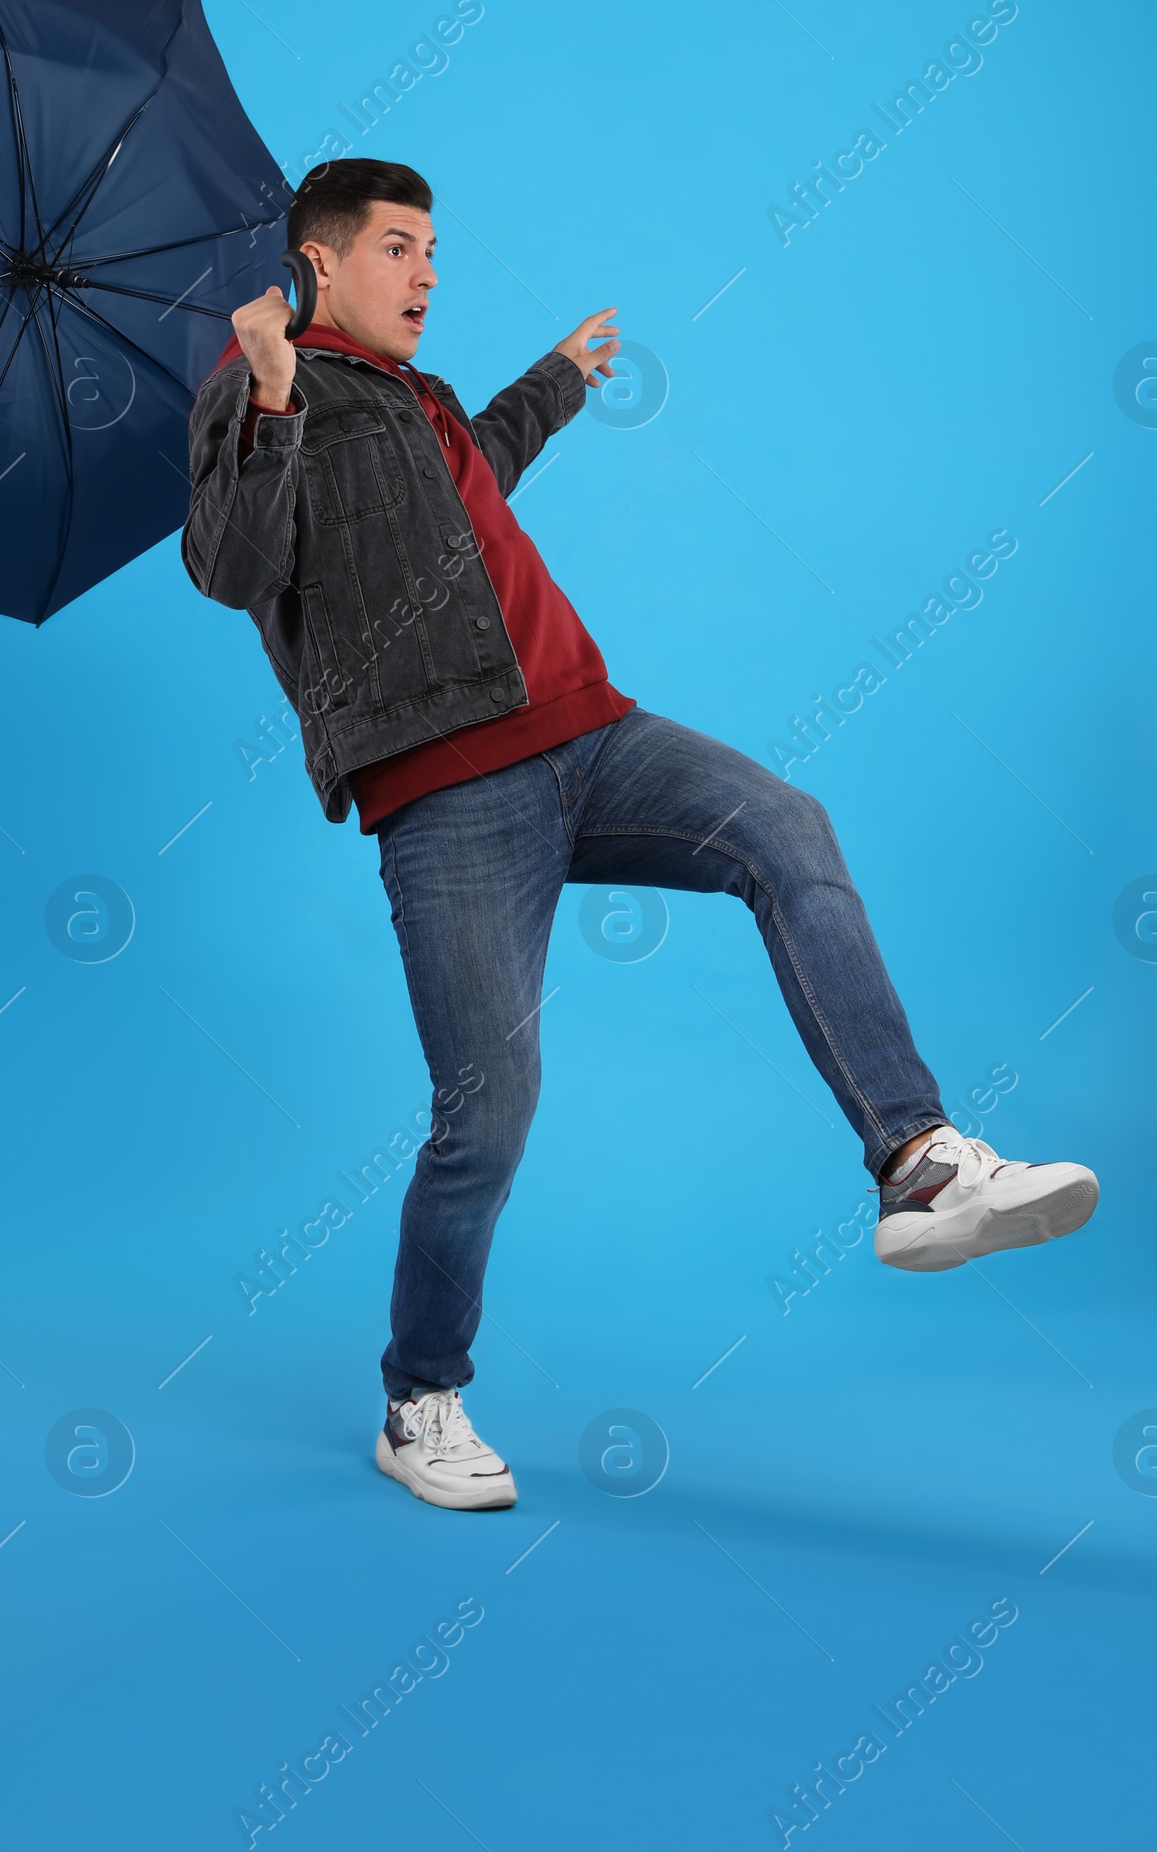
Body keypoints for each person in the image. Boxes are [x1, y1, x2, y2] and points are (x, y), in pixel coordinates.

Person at [182, 159, 1098, 1513]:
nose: (429, 272)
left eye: (435, 247)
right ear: (320, 263)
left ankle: (921, 1164)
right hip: (450, 793)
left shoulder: (416, 398)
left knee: (788, 829)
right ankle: (419, 1398)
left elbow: (465, 480)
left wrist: (550, 382)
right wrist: (262, 389)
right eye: (397, 248)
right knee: (488, 1121)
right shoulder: (268, 388)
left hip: (591, 735)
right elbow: (232, 566)